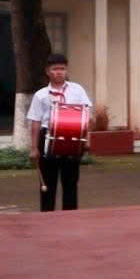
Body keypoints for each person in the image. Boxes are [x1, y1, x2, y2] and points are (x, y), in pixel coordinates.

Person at [26, 53, 91, 212]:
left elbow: (86, 115)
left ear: (66, 70)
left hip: (73, 137)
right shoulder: (40, 95)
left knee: (71, 182)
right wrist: (34, 148)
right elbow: (35, 121)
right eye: (55, 69)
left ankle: (70, 217)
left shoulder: (77, 90)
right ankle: (47, 217)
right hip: (47, 137)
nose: (59, 72)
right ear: (47, 71)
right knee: (48, 183)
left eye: (62, 69)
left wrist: (87, 139)